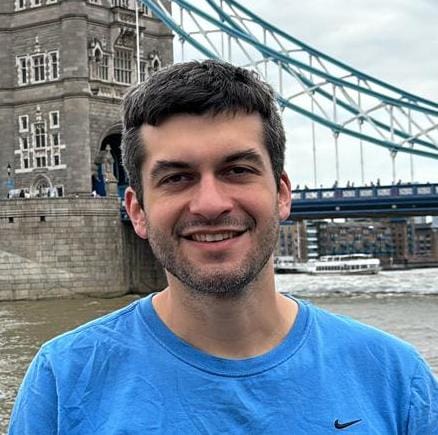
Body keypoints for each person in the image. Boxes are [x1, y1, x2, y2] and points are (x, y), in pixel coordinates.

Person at [9, 60, 438, 434]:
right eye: (176, 177)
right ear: (137, 210)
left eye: (237, 169)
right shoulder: (64, 379)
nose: (211, 204)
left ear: (283, 193)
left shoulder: (396, 378)